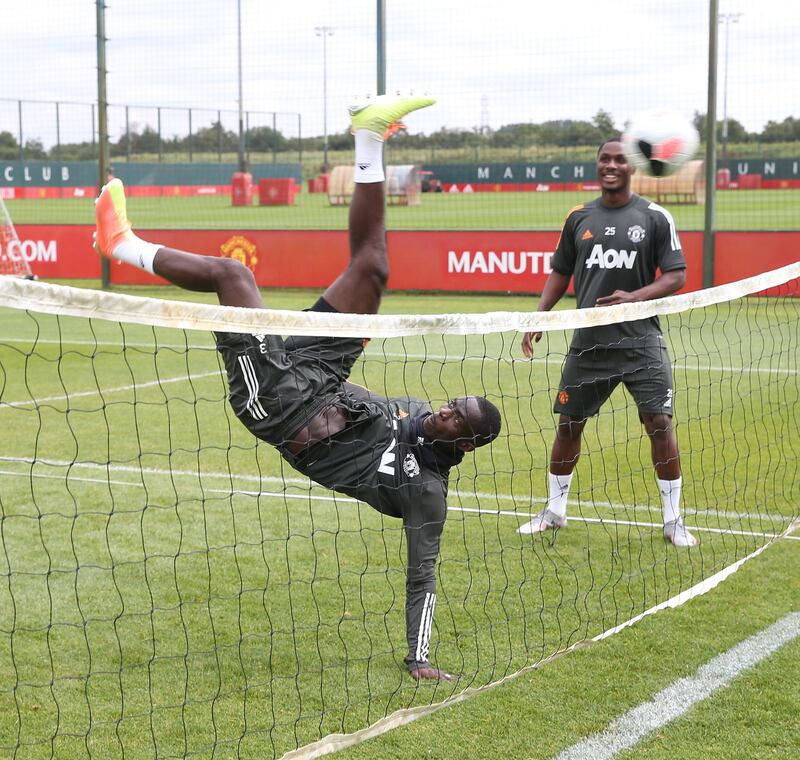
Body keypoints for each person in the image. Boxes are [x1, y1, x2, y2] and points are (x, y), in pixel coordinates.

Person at [93, 94, 503, 681]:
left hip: (282, 409)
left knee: (232, 276)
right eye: (452, 402)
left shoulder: (427, 494)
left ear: (464, 444)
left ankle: (120, 245)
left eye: (456, 417)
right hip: (318, 377)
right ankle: (369, 139)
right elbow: (375, 407)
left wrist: (420, 658)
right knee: (373, 271)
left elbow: (423, 576)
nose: (444, 410)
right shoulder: (414, 412)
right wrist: (348, 344)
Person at [518, 136, 698, 548]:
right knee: (568, 424)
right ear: (597, 165)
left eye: (619, 159)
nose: (611, 165)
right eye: (605, 158)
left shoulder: (654, 217)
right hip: (590, 344)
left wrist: (632, 299)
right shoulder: (578, 217)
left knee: (659, 424)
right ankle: (554, 510)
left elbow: (676, 275)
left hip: (641, 342)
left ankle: (673, 521)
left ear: (632, 166)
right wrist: (540, 314)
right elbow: (560, 271)